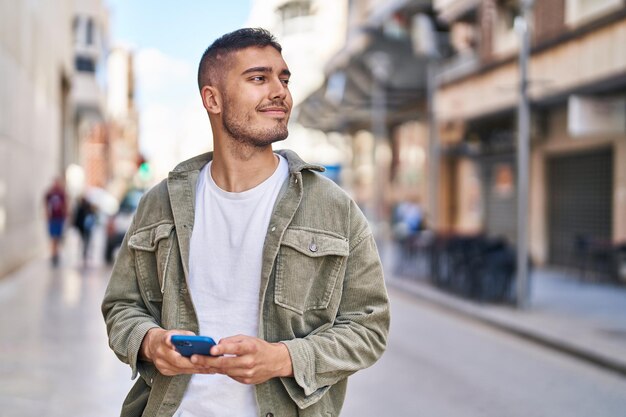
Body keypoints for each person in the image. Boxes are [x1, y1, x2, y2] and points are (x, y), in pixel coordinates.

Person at [102, 28, 390, 417]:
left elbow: (368, 327)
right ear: (213, 99)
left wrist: (284, 358)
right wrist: (150, 342)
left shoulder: (332, 206)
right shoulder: (161, 203)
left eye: (283, 78)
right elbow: (122, 305)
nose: (280, 92)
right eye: (259, 78)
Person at [44, 177, 67, 266]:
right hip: (52, 219)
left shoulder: (61, 193)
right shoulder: (50, 193)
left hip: (59, 218)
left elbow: (65, 204)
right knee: (53, 237)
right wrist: (47, 213)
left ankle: (56, 253)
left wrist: (65, 214)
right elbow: (46, 204)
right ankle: (53, 254)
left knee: (57, 237)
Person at [73, 196, 96, 264]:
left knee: (84, 241)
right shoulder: (86, 208)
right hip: (84, 228)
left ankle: (84, 253)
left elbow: (77, 219)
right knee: (86, 241)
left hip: (83, 228)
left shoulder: (82, 208)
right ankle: (84, 253)